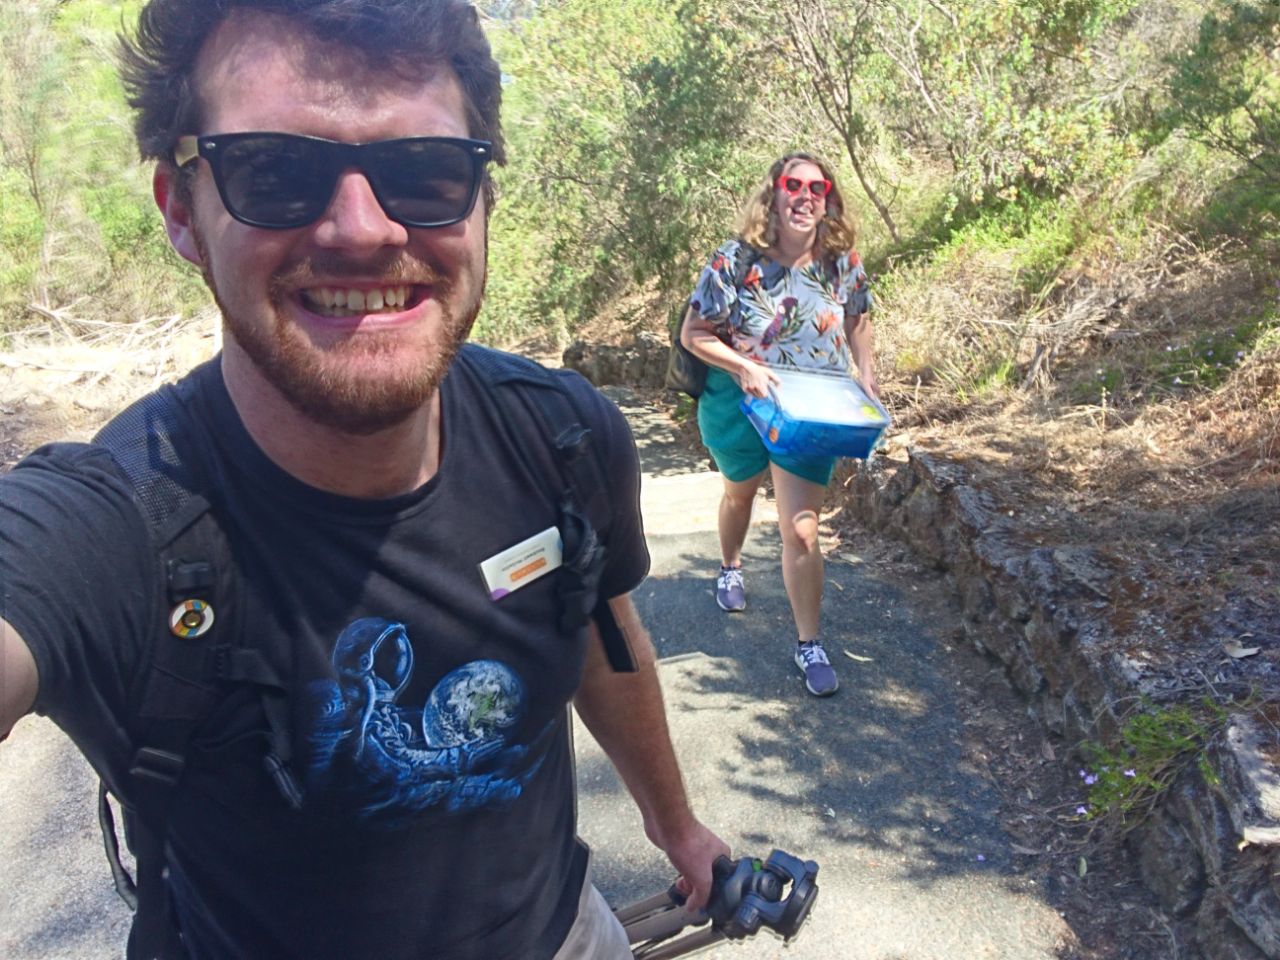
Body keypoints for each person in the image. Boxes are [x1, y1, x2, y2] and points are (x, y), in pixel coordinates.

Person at [0, 2, 728, 958]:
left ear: (482, 201)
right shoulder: (119, 529)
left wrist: (675, 826)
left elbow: (599, 629)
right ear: (181, 210)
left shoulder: (559, 436)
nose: (362, 228)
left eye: (424, 171)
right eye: (275, 171)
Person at [679, 152, 876, 699]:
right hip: (740, 403)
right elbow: (694, 333)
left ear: (828, 198)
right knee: (738, 496)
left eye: (817, 186)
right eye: (794, 184)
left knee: (802, 528)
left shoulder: (842, 262)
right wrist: (744, 367)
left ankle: (809, 642)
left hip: (812, 409)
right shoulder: (734, 261)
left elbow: (859, 319)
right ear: (774, 193)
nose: (805, 195)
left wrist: (867, 377)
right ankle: (730, 565)